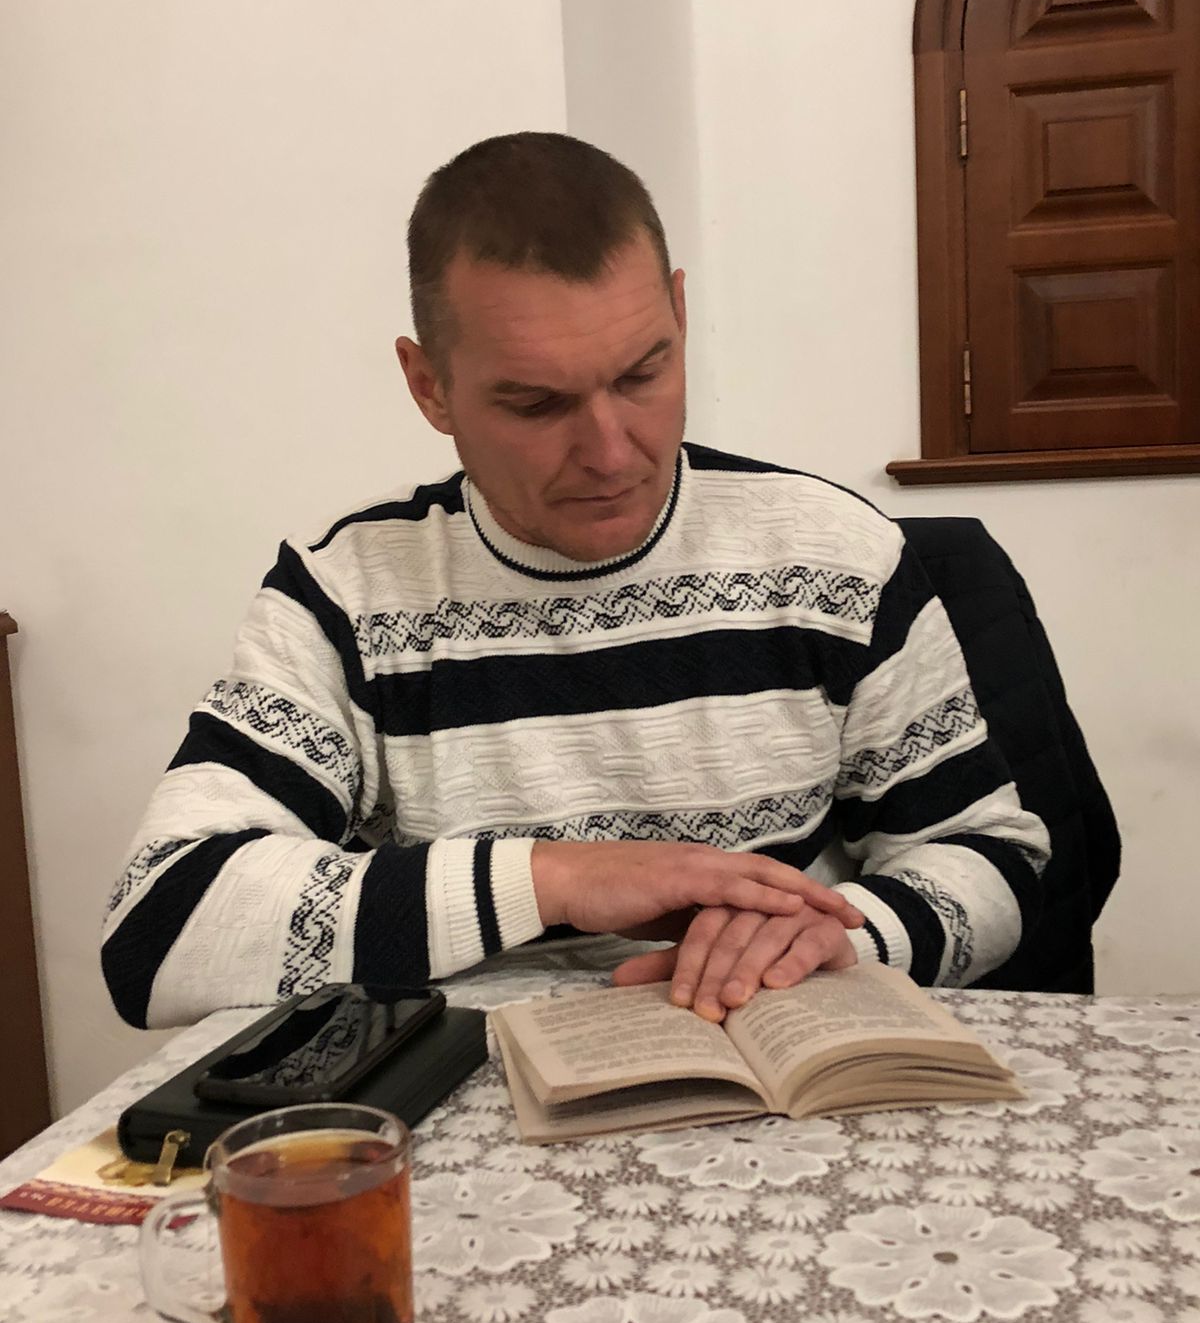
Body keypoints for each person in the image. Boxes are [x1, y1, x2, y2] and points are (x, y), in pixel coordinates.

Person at [102, 132, 1049, 1030]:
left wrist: (845, 937)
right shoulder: (345, 596)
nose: (610, 452)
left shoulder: (835, 555)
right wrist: (554, 880)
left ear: (680, 314)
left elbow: (992, 858)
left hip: (772, 1078)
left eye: (643, 375)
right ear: (429, 386)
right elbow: (159, 931)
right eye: (536, 403)